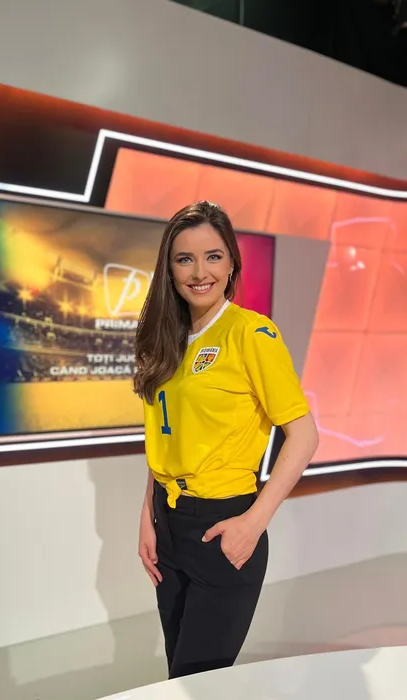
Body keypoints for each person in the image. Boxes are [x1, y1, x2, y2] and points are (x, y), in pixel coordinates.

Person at [134, 201, 319, 680]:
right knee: (179, 678)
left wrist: (254, 522)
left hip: (223, 526)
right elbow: (163, 439)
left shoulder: (251, 333)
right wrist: (148, 518)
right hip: (168, 524)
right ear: (169, 269)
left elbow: (304, 435)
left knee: (201, 681)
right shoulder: (165, 340)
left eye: (213, 256)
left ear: (232, 263)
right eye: (185, 259)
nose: (200, 272)